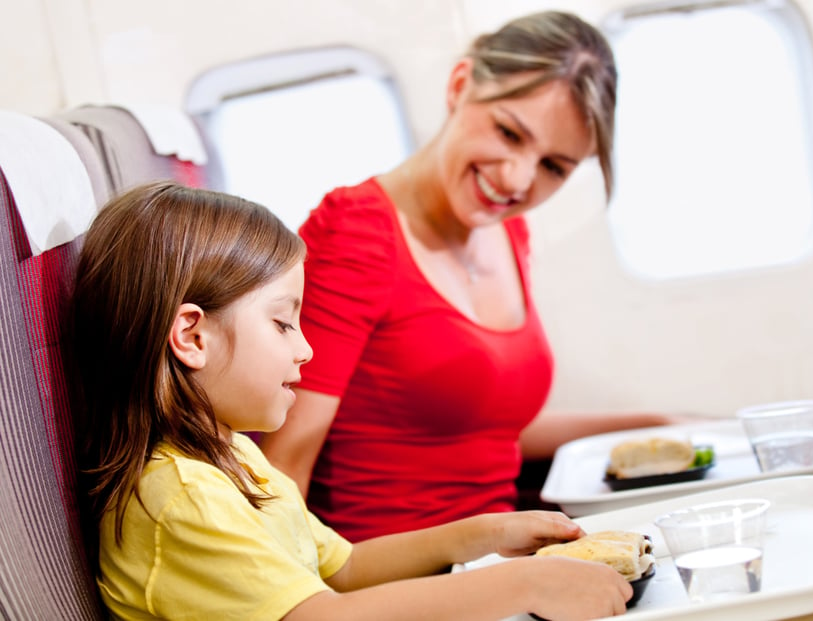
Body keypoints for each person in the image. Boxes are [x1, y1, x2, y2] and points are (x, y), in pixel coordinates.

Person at [67, 181, 632, 621]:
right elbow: (322, 616)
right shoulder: (177, 496)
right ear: (192, 336)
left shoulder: (230, 454)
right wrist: (525, 584)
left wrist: (482, 534)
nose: (306, 348)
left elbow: (344, 568)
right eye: (284, 323)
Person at [260, 8, 680, 543]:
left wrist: (653, 422)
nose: (517, 179)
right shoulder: (356, 233)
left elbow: (476, 427)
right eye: (508, 132)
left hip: (500, 554)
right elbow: (282, 467)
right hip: (395, 570)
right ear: (460, 86)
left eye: (554, 166)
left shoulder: (508, 232)